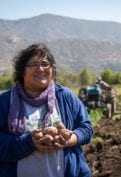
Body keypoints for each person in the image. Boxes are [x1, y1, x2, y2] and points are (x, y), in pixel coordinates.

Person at [0, 43, 93, 177]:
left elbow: (86, 129)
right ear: (22, 71)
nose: (41, 68)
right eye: (33, 64)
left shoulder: (65, 96)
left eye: (45, 63)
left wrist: (69, 139)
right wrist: (29, 142)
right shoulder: (4, 103)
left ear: (52, 69)